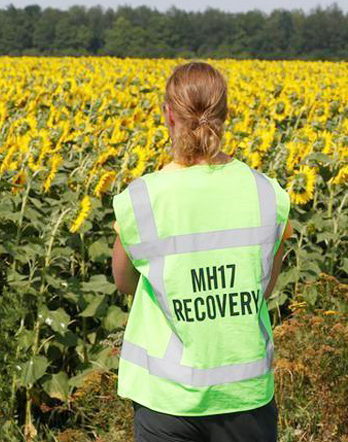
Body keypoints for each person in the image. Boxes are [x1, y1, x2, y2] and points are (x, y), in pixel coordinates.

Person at [111, 62, 291, 442]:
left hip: (166, 400)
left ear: (168, 115)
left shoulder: (142, 199)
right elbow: (267, 286)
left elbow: (123, 282)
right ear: (225, 116)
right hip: (245, 398)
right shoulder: (267, 195)